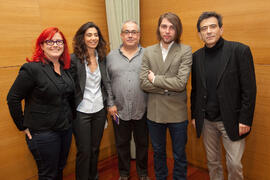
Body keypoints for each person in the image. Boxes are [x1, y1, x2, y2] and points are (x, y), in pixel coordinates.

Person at [191, 11, 257, 180]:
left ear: (221, 29)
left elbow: (249, 89)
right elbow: (196, 90)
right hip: (206, 121)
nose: (209, 31)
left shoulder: (239, 51)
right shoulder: (196, 57)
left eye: (213, 26)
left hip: (233, 120)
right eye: (204, 28)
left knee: (234, 164)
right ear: (199, 34)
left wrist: (245, 119)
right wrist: (194, 116)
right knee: (213, 162)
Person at [7, 27, 75, 180]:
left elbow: (67, 97)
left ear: (64, 45)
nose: (55, 45)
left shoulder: (65, 69)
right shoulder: (32, 69)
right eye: (50, 41)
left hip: (65, 129)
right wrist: (22, 125)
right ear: (42, 45)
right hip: (44, 133)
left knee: (59, 168)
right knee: (48, 174)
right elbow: (13, 98)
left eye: (59, 41)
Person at [140, 12, 192, 180]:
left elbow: (180, 84)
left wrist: (155, 79)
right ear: (159, 28)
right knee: (158, 153)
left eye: (172, 27)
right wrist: (168, 87)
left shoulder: (185, 50)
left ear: (177, 30)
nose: (167, 31)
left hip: (177, 114)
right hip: (155, 114)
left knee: (179, 155)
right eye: (164, 26)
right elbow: (143, 83)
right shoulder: (147, 52)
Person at [106, 20, 149, 180]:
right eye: (127, 32)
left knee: (143, 144)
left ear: (139, 35)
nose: (130, 35)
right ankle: (124, 174)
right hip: (118, 111)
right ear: (121, 35)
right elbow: (107, 83)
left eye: (134, 32)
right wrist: (110, 104)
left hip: (143, 109)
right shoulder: (110, 56)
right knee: (121, 145)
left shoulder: (148, 55)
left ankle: (143, 173)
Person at [69, 22, 111, 180]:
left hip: (99, 110)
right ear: (82, 38)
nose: (93, 38)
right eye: (89, 35)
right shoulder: (73, 59)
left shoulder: (102, 58)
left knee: (95, 149)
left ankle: (94, 176)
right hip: (81, 111)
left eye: (96, 35)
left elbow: (105, 84)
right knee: (84, 151)